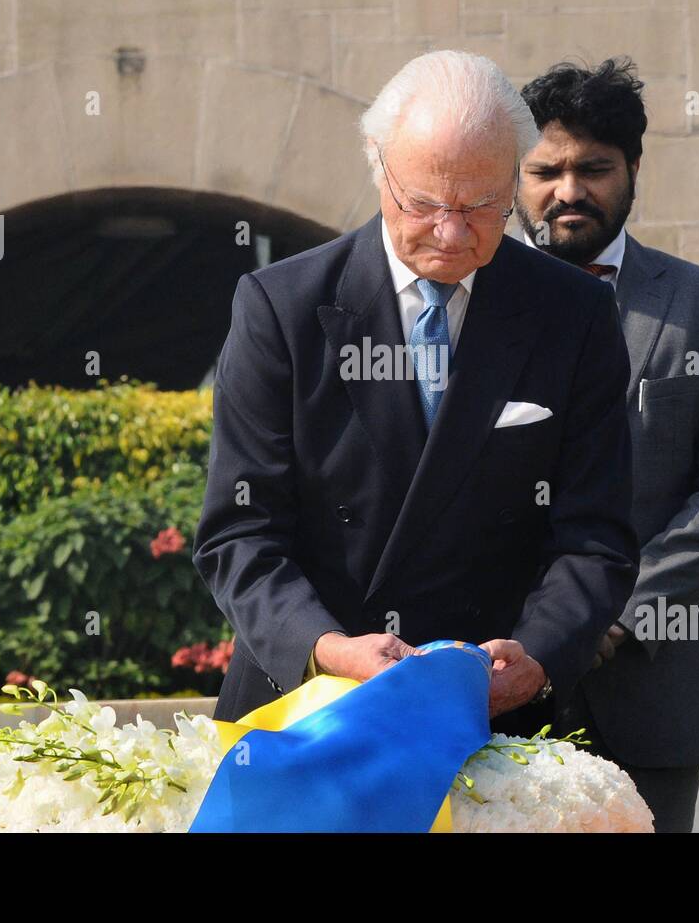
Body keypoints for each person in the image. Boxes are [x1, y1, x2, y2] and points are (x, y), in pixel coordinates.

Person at [194, 51, 639, 742]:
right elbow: (239, 533)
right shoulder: (281, 308)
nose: (452, 234)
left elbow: (596, 534)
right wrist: (328, 648)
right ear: (380, 170)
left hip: (493, 721)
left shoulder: (573, 312)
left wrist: (539, 655)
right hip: (306, 710)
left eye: (482, 206)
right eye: (425, 204)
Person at [517, 58, 699, 833]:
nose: (569, 190)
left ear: (633, 168)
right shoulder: (469, 304)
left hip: (649, 685)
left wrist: (620, 614)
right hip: (493, 683)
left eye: (594, 168)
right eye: (546, 169)